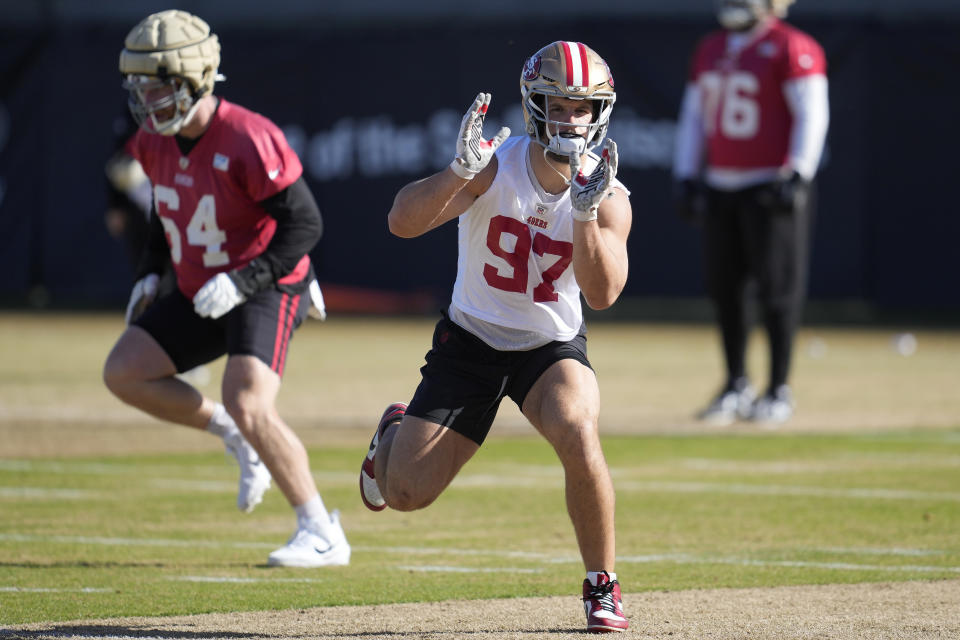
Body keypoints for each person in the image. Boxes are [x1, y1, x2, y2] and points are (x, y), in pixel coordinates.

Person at [359, 41, 631, 633]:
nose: (570, 119)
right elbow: (401, 222)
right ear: (534, 106)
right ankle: (394, 432)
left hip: (548, 348)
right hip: (472, 341)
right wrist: (456, 171)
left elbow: (604, 293)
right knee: (403, 495)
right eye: (557, 105)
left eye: (582, 108)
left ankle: (601, 585)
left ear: (600, 113)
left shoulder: (607, 193)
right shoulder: (494, 163)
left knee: (579, 429)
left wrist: (583, 215)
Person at [102, 9, 347, 567]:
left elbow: (305, 226)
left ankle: (321, 530)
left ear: (196, 79)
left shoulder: (248, 136)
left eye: (158, 87)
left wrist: (244, 281)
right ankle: (233, 435)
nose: (147, 101)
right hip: (200, 282)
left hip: (266, 281)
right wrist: (149, 271)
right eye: (139, 88)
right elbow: (167, 213)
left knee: (248, 398)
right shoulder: (152, 140)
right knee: (124, 370)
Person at [672, 0, 829, 425]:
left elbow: (811, 113)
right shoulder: (710, 47)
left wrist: (798, 171)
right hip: (722, 183)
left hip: (769, 184)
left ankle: (778, 388)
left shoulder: (792, 46)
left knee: (778, 290)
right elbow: (694, 115)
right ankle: (735, 383)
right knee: (726, 291)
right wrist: (687, 172)